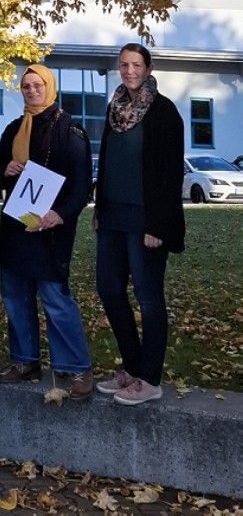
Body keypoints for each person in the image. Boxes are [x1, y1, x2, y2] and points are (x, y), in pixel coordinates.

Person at [0, 64, 94, 400]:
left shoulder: (69, 130)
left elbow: (82, 186)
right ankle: (25, 361)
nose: (32, 91)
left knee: (55, 299)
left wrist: (59, 215)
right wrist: (5, 169)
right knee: (15, 295)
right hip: (17, 224)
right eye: (26, 86)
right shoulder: (15, 128)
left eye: (38, 85)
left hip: (50, 228)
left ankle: (76, 368)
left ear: (49, 87)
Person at [94, 43, 185, 405]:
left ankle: (150, 379)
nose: (129, 71)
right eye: (124, 65)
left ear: (148, 68)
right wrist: (99, 210)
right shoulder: (114, 108)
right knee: (109, 290)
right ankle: (132, 368)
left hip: (146, 220)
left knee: (148, 298)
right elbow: (108, 160)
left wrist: (158, 226)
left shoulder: (163, 111)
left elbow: (170, 173)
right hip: (112, 216)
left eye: (136, 65)